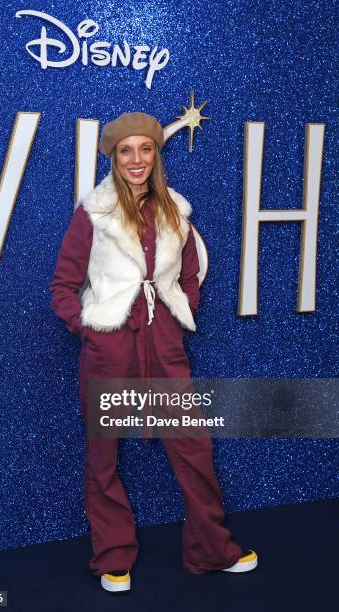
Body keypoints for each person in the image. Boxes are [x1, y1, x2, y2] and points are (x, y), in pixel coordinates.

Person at [49, 112, 258, 593]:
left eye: (145, 149)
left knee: (193, 447)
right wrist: (90, 326)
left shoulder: (175, 212)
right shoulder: (93, 213)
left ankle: (211, 550)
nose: (136, 159)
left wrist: (179, 311)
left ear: (156, 155)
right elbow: (63, 284)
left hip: (163, 343)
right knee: (103, 456)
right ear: (114, 157)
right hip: (111, 345)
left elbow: (187, 276)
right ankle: (113, 556)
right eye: (126, 150)